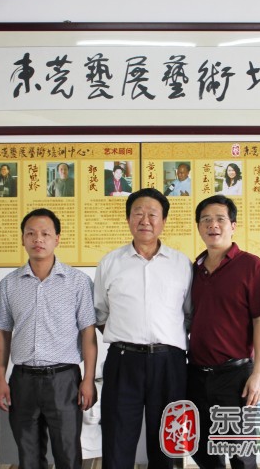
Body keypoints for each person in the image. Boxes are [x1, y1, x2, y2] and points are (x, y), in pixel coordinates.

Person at [0, 208, 97, 469]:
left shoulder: (78, 282)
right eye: (31, 234)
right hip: (23, 380)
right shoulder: (9, 284)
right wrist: (0, 377)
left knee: (68, 454)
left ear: (57, 238)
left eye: (45, 234)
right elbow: (2, 331)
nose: (38, 239)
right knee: (28, 456)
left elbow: (88, 333)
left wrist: (88, 379)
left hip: (64, 380)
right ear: (22, 239)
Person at [94, 188, 192, 469]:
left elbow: (188, 314)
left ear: (163, 221)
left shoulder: (182, 264)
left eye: (152, 214)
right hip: (123, 361)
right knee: (117, 438)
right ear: (128, 219)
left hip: (169, 363)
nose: (145, 220)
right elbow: (100, 313)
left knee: (166, 441)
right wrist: (129, 337)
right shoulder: (110, 263)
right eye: (138, 213)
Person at [188, 195, 260, 469]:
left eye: (220, 219)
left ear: (233, 226)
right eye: (205, 220)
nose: (212, 225)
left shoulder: (250, 265)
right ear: (198, 227)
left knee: (241, 454)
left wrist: (259, 374)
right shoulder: (194, 269)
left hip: (235, 376)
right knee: (203, 449)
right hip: (196, 375)